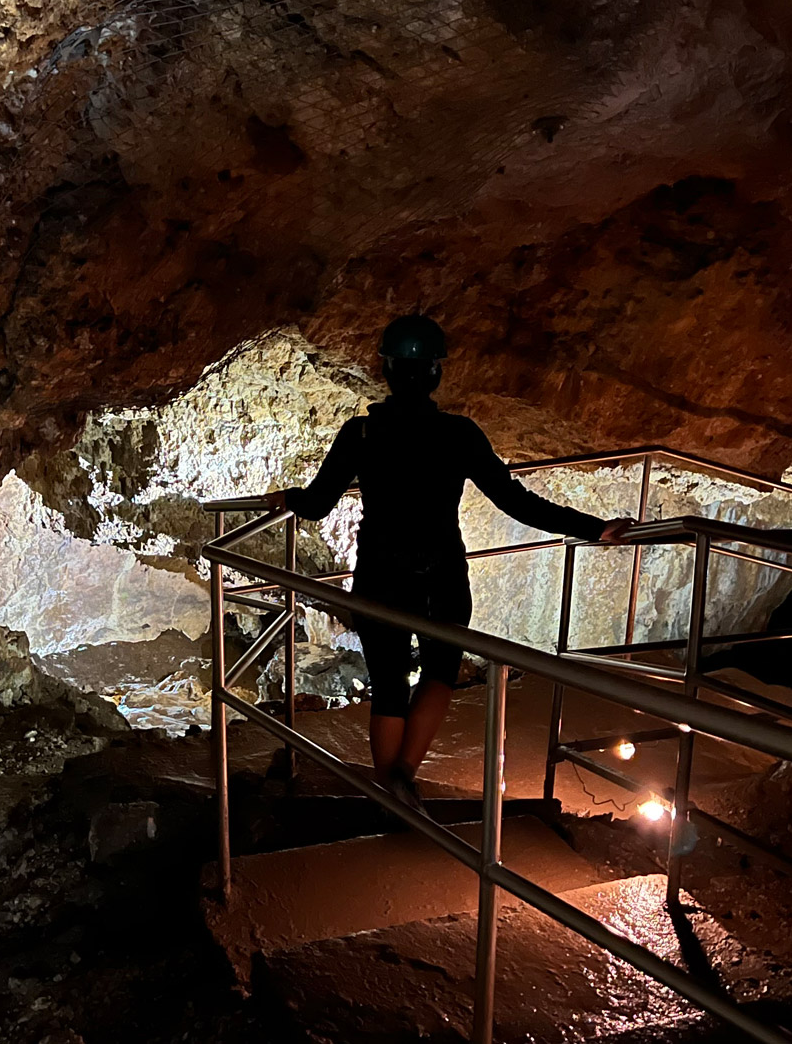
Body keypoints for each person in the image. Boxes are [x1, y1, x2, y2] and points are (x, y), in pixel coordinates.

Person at [271, 316, 632, 814]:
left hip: (380, 575)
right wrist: (594, 527)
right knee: (440, 673)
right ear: (436, 373)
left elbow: (314, 505)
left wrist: (284, 498)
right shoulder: (459, 434)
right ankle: (404, 775)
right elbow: (516, 501)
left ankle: (388, 794)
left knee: (389, 685)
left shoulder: (362, 433)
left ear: (388, 370)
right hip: (441, 573)